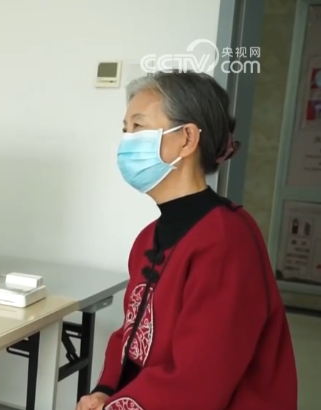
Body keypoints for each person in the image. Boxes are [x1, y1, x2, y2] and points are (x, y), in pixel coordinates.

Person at [76, 71, 298, 410]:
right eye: (125, 130)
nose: (127, 142)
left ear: (187, 138)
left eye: (139, 127)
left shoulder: (226, 239)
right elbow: (131, 332)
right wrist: (104, 392)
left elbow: (201, 378)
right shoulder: (148, 239)